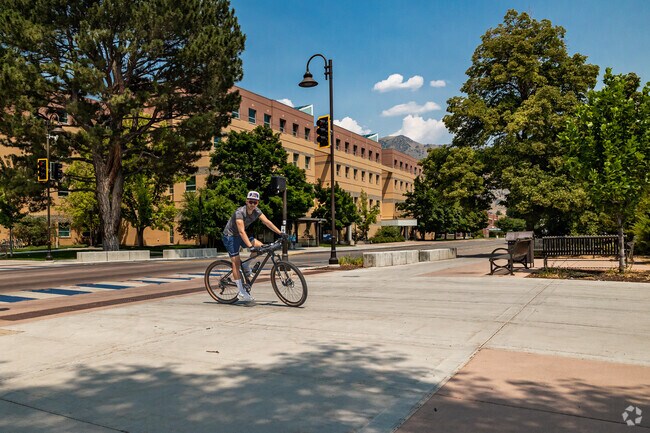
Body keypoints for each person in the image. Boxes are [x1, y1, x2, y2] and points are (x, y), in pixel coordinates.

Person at [222, 191, 284, 302]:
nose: (252, 204)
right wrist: (250, 246)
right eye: (250, 202)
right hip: (230, 236)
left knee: (261, 248)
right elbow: (241, 231)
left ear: (257, 203)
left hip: (241, 235)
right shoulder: (239, 212)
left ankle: (245, 265)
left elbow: (267, 222)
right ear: (246, 201)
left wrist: (280, 233)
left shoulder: (256, 211)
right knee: (235, 263)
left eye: (255, 202)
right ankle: (241, 291)